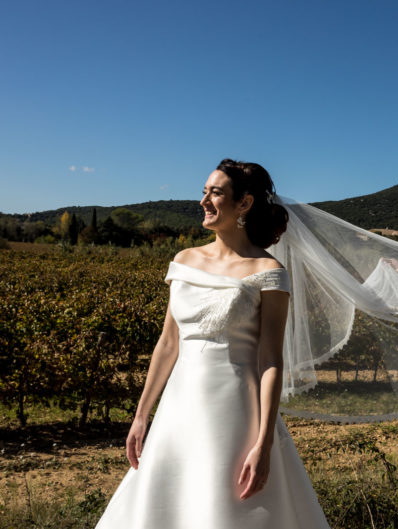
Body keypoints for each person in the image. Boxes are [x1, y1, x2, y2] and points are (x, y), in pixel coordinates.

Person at [95, 160, 330, 529]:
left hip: (236, 412)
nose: (204, 200)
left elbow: (271, 360)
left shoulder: (268, 272)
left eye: (215, 193)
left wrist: (264, 442)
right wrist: (142, 416)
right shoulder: (184, 261)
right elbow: (168, 343)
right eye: (204, 191)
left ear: (244, 204)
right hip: (178, 408)